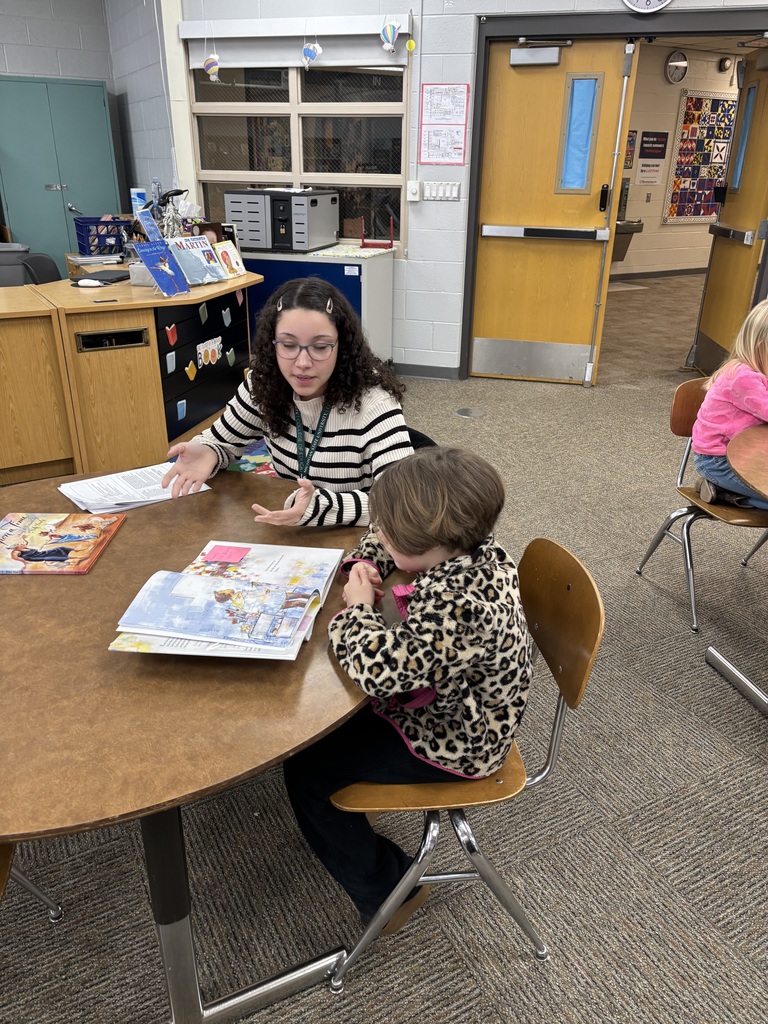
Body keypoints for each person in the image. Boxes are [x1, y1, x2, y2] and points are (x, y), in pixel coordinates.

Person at [283, 448, 533, 934]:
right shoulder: (472, 545)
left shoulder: (460, 608)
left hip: (462, 741)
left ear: (428, 544)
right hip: (453, 702)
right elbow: (387, 538)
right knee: (329, 728)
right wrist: (368, 561)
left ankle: (389, 893)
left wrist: (357, 608)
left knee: (306, 768)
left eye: (390, 536)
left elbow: (378, 673)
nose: (379, 535)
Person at [161, 277, 413, 527]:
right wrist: (209, 450)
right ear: (272, 344)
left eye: (320, 347)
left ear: (342, 346)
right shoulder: (264, 386)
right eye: (289, 345)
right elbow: (221, 441)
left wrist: (320, 507)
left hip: (359, 541)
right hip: (289, 533)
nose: (302, 363)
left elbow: (403, 504)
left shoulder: (375, 402)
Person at [692, 298, 768, 510]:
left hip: (748, 453)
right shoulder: (743, 378)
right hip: (719, 462)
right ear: (761, 346)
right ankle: (724, 493)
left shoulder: (758, 370)